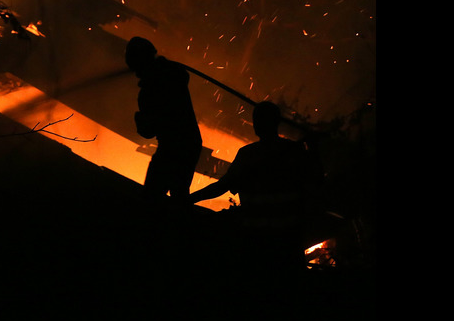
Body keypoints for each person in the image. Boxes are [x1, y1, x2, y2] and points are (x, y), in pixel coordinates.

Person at [189, 101, 323, 272]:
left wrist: (191, 198)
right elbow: (316, 183)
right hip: (289, 237)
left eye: (258, 119)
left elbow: (222, 186)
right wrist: (314, 150)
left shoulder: (248, 154)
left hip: (258, 237)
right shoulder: (294, 151)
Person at [125, 37, 204, 202]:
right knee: (179, 192)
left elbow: (148, 132)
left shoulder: (150, 91)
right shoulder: (172, 74)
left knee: (152, 196)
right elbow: (182, 75)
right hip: (190, 143)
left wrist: (139, 120)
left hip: (173, 148)